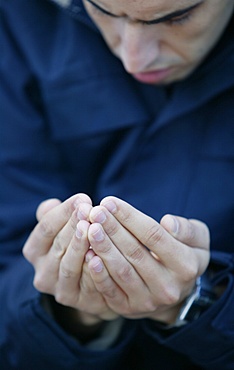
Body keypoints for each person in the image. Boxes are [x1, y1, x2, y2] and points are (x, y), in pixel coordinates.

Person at [0, 0, 233, 368]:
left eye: (177, 17)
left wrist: (199, 302)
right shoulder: (18, 17)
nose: (134, 59)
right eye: (104, 12)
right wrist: (66, 311)